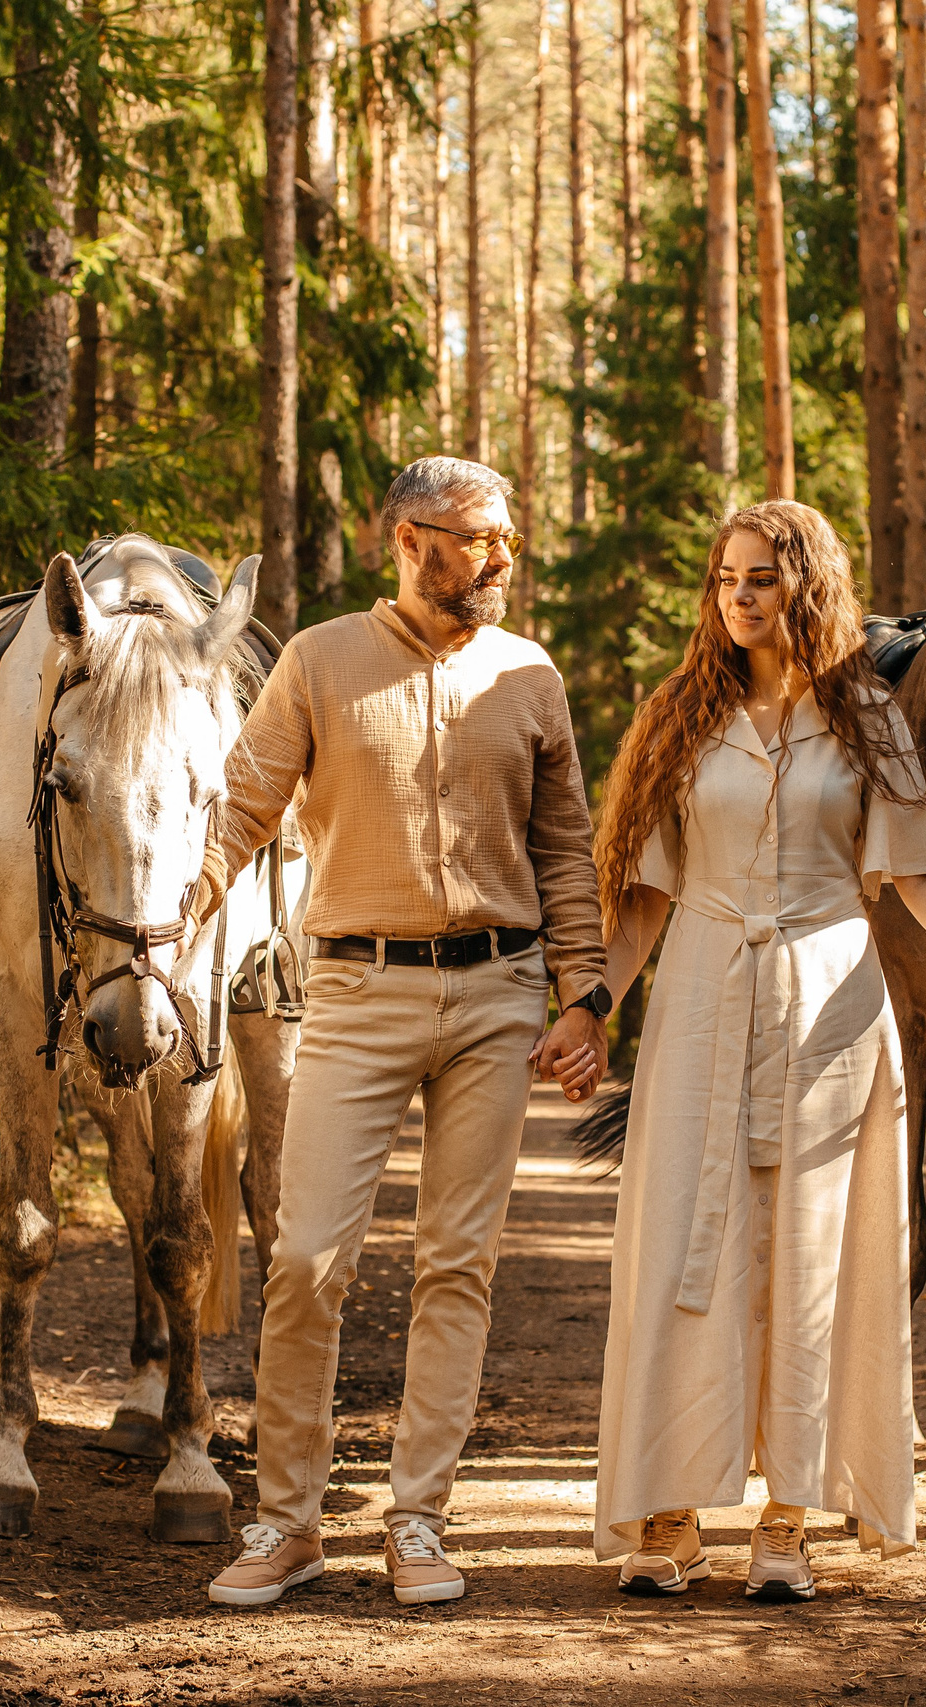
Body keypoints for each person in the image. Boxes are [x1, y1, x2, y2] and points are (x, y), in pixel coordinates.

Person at [541, 501, 926, 1604]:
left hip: (829, 1001)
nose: (739, 595)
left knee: (815, 1258)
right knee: (684, 1240)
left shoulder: (865, 720)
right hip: (697, 999)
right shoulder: (680, 717)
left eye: (763, 578)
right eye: (726, 578)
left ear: (806, 587)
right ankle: (669, 1511)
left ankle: (787, 1518)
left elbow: (916, 877)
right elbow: (639, 899)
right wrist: (591, 1006)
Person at [195, 457, 610, 1609]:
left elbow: (566, 850)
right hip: (358, 992)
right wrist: (169, 919)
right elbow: (244, 805)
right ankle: (287, 1523)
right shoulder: (319, 661)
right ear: (410, 540)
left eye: (505, 543)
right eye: (479, 542)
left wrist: (584, 992)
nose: (497, 563)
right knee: (304, 1261)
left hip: (496, 996)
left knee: (456, 1268)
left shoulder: (529, 676)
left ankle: (418, 1520)